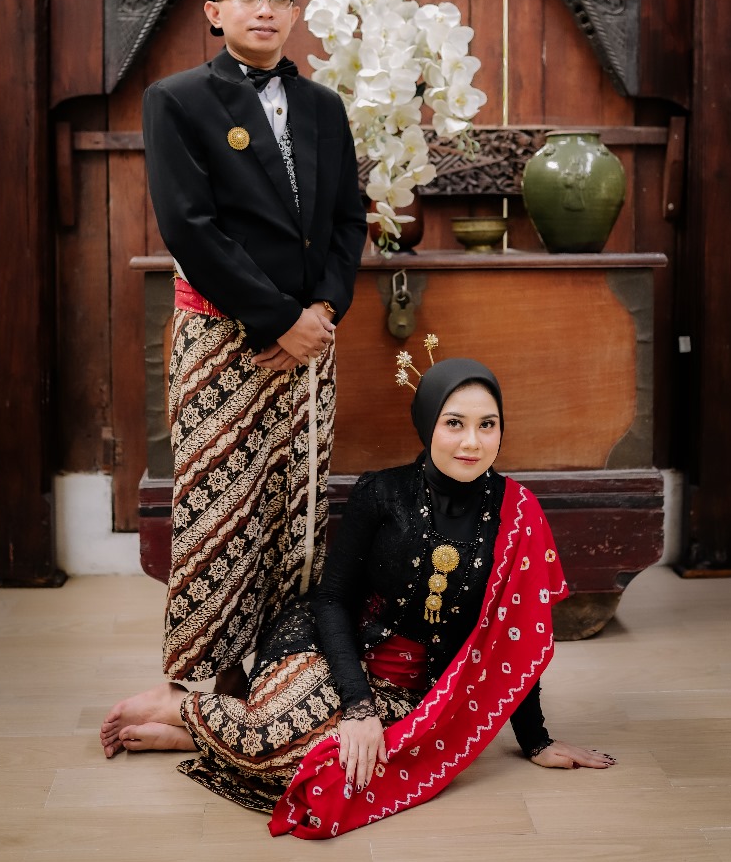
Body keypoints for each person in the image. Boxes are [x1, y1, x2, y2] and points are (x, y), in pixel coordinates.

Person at [108, 354, 616, 837]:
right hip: (333, 650)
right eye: (454, 423)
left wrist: (536, 740)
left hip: (415, 694)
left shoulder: (519, 514)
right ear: (428, 425)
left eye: (488, 425)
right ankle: (180, 705)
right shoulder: (382, 493)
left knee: (335, 770)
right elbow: (332, 600)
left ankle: (196, 736)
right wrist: (357, 707)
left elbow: (517, 640)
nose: (472, 442)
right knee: (272, 733)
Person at [100, 0, 367, 758]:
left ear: (294, 13)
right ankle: (192, 686)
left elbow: (347, 221)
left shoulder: (322, 106)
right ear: (214, 12)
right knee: (218, 509)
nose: (263, 7)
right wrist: (278, 320)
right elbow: (191, 229)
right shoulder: (176, 99)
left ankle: (277, 675)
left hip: (311, 342)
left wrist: (321, 310)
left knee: (296, 511)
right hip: (223, 339)